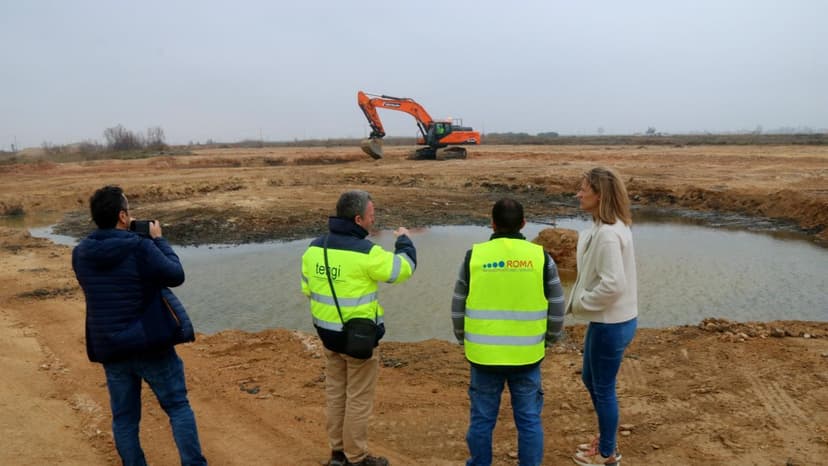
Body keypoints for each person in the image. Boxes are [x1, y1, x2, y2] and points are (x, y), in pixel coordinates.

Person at [72, 186, 207, 466]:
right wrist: (158, 240)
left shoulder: (81, 253)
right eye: (128, 210)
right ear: (122, 216)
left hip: (110, 346)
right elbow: (175, 275)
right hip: (149, 341)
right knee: (178, 407)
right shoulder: (140, 246)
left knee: (124, 419)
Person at [301, 190, 417, 466]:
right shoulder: (367, 252)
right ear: (357, 218)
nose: (373, 221)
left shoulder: (314, 248)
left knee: (336, 393)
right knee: (358, 398)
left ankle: (338, 453)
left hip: (327, 336)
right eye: (371, 216)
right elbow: (403, 269)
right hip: (358, 340)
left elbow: (308, 288)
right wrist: (404, 241)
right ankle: (357, 457)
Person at [451, 198, 565, 466]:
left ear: (492, 223)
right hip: (527, 355)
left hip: (483, 356)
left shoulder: (474, 256)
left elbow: (458, 303)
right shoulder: (540, 257)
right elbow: (557, 306)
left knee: (482, 418)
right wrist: (549, 339)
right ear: (523, 224)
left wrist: (461, 338)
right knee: (528, 419)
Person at [567, 167, 638, 466]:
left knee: (603, 387)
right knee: (590, 378)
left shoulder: (609, 235)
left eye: (585, 188)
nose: (578, 193)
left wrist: (581, 303)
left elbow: (612, 284)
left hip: (611, 322)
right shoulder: (605, 228)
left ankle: (607, 453)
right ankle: (607, 440)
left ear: (600, 195)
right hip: (609, 320)